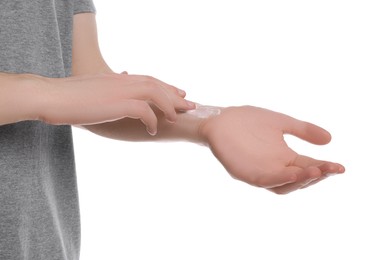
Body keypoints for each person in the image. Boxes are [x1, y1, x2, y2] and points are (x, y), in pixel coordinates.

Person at [0, 0, 345, 260]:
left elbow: (80, 85)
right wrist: (42, 93)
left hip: (40, 242)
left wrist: (208, 121)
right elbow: (57, 93)